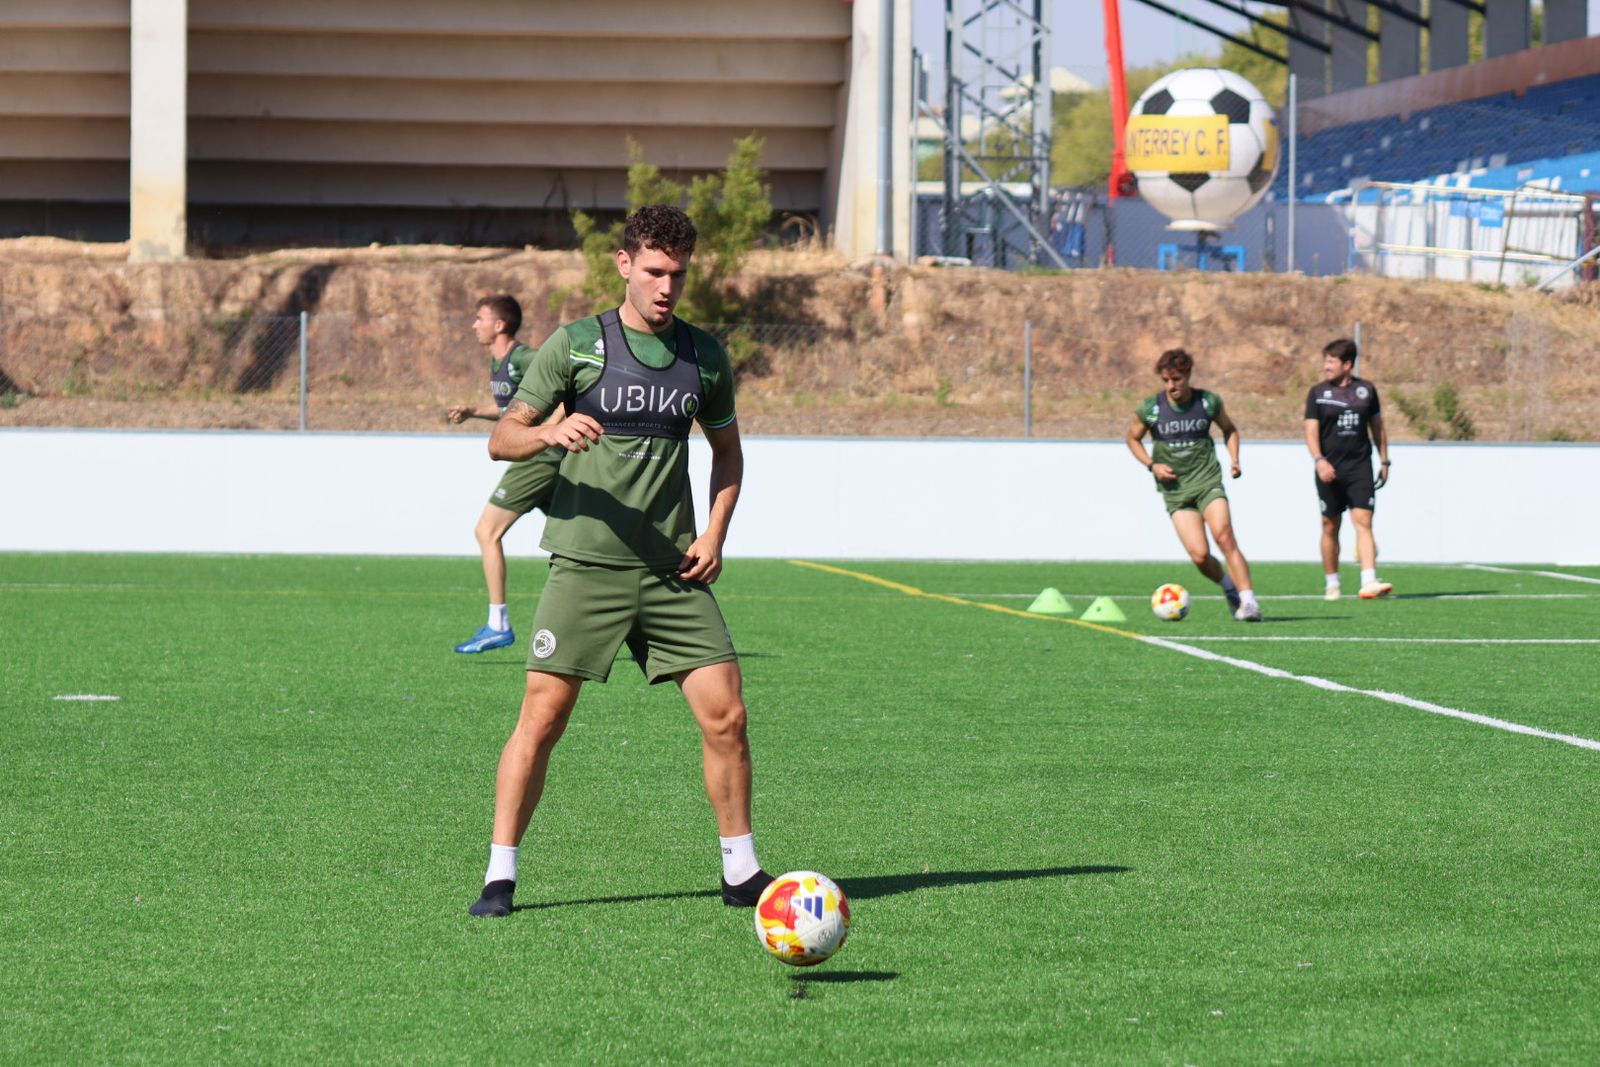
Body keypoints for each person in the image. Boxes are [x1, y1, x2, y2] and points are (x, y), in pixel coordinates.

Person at [467, 205, 772, 918]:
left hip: (674, 571)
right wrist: (547, 429)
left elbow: (727, 452)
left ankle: (741, 871)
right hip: (586, 568)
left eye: (680, 274)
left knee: (726, 715)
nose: (668, 286)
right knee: (542, 718)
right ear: (625, 264)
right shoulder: (576, 346)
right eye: (656, 271)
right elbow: (501, 441)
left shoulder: (704, 355)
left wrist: (716, 531)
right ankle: (500, 875)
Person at [446, 295, 563, 654]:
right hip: (542, 454)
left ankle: (498, 624)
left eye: (479, 318)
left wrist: (547, 435)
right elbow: (514, 410)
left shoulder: (524, 358)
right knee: (581, 539)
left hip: (538, 458)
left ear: (499, 325)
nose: (474, 324)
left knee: (486, 530)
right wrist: (474, 412)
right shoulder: (497, 362)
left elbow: (564, 390)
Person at [1126, 348, 1263, 622]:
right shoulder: (1151, 409)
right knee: (1200, 556)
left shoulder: (1207, 403)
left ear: (1187, 375)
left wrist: (1234, 458)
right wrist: (1152, 465)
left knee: (1224, 536)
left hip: (1207, 482)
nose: (1171, 386)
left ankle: (1250, 603)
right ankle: (1229, 588)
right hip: (1176, 491)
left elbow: (1230, 429)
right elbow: (1132, 438)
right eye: (1165, 380)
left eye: (1176, 379)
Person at [1304, 338, 1392, 600]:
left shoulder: (1366, 390)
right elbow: (1310, 431)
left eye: (1331, 362)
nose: (1326, 366)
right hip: (1329, 469)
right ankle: (1332, 582)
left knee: (1364, 521)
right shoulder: (1318, 393)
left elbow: (1377, 428)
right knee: (1330, 524)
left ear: (1347, 364)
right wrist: (1320, 460)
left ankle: (1369, 580)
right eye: (1325, 361)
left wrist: (1384, 461)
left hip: (1359, 467)